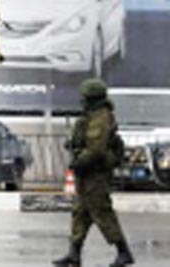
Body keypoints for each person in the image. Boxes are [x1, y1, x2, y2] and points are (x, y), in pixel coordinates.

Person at [55, 79, 133, 266]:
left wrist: (79, 162)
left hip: (95, 174)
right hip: (88, 174)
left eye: (85, 97)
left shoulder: (100, 117)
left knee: (102, 212)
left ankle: (123, 252)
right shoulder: (92, 115)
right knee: (80, 213)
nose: (82, 100)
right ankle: (74, 253)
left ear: (92, 98)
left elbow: (96, 149)